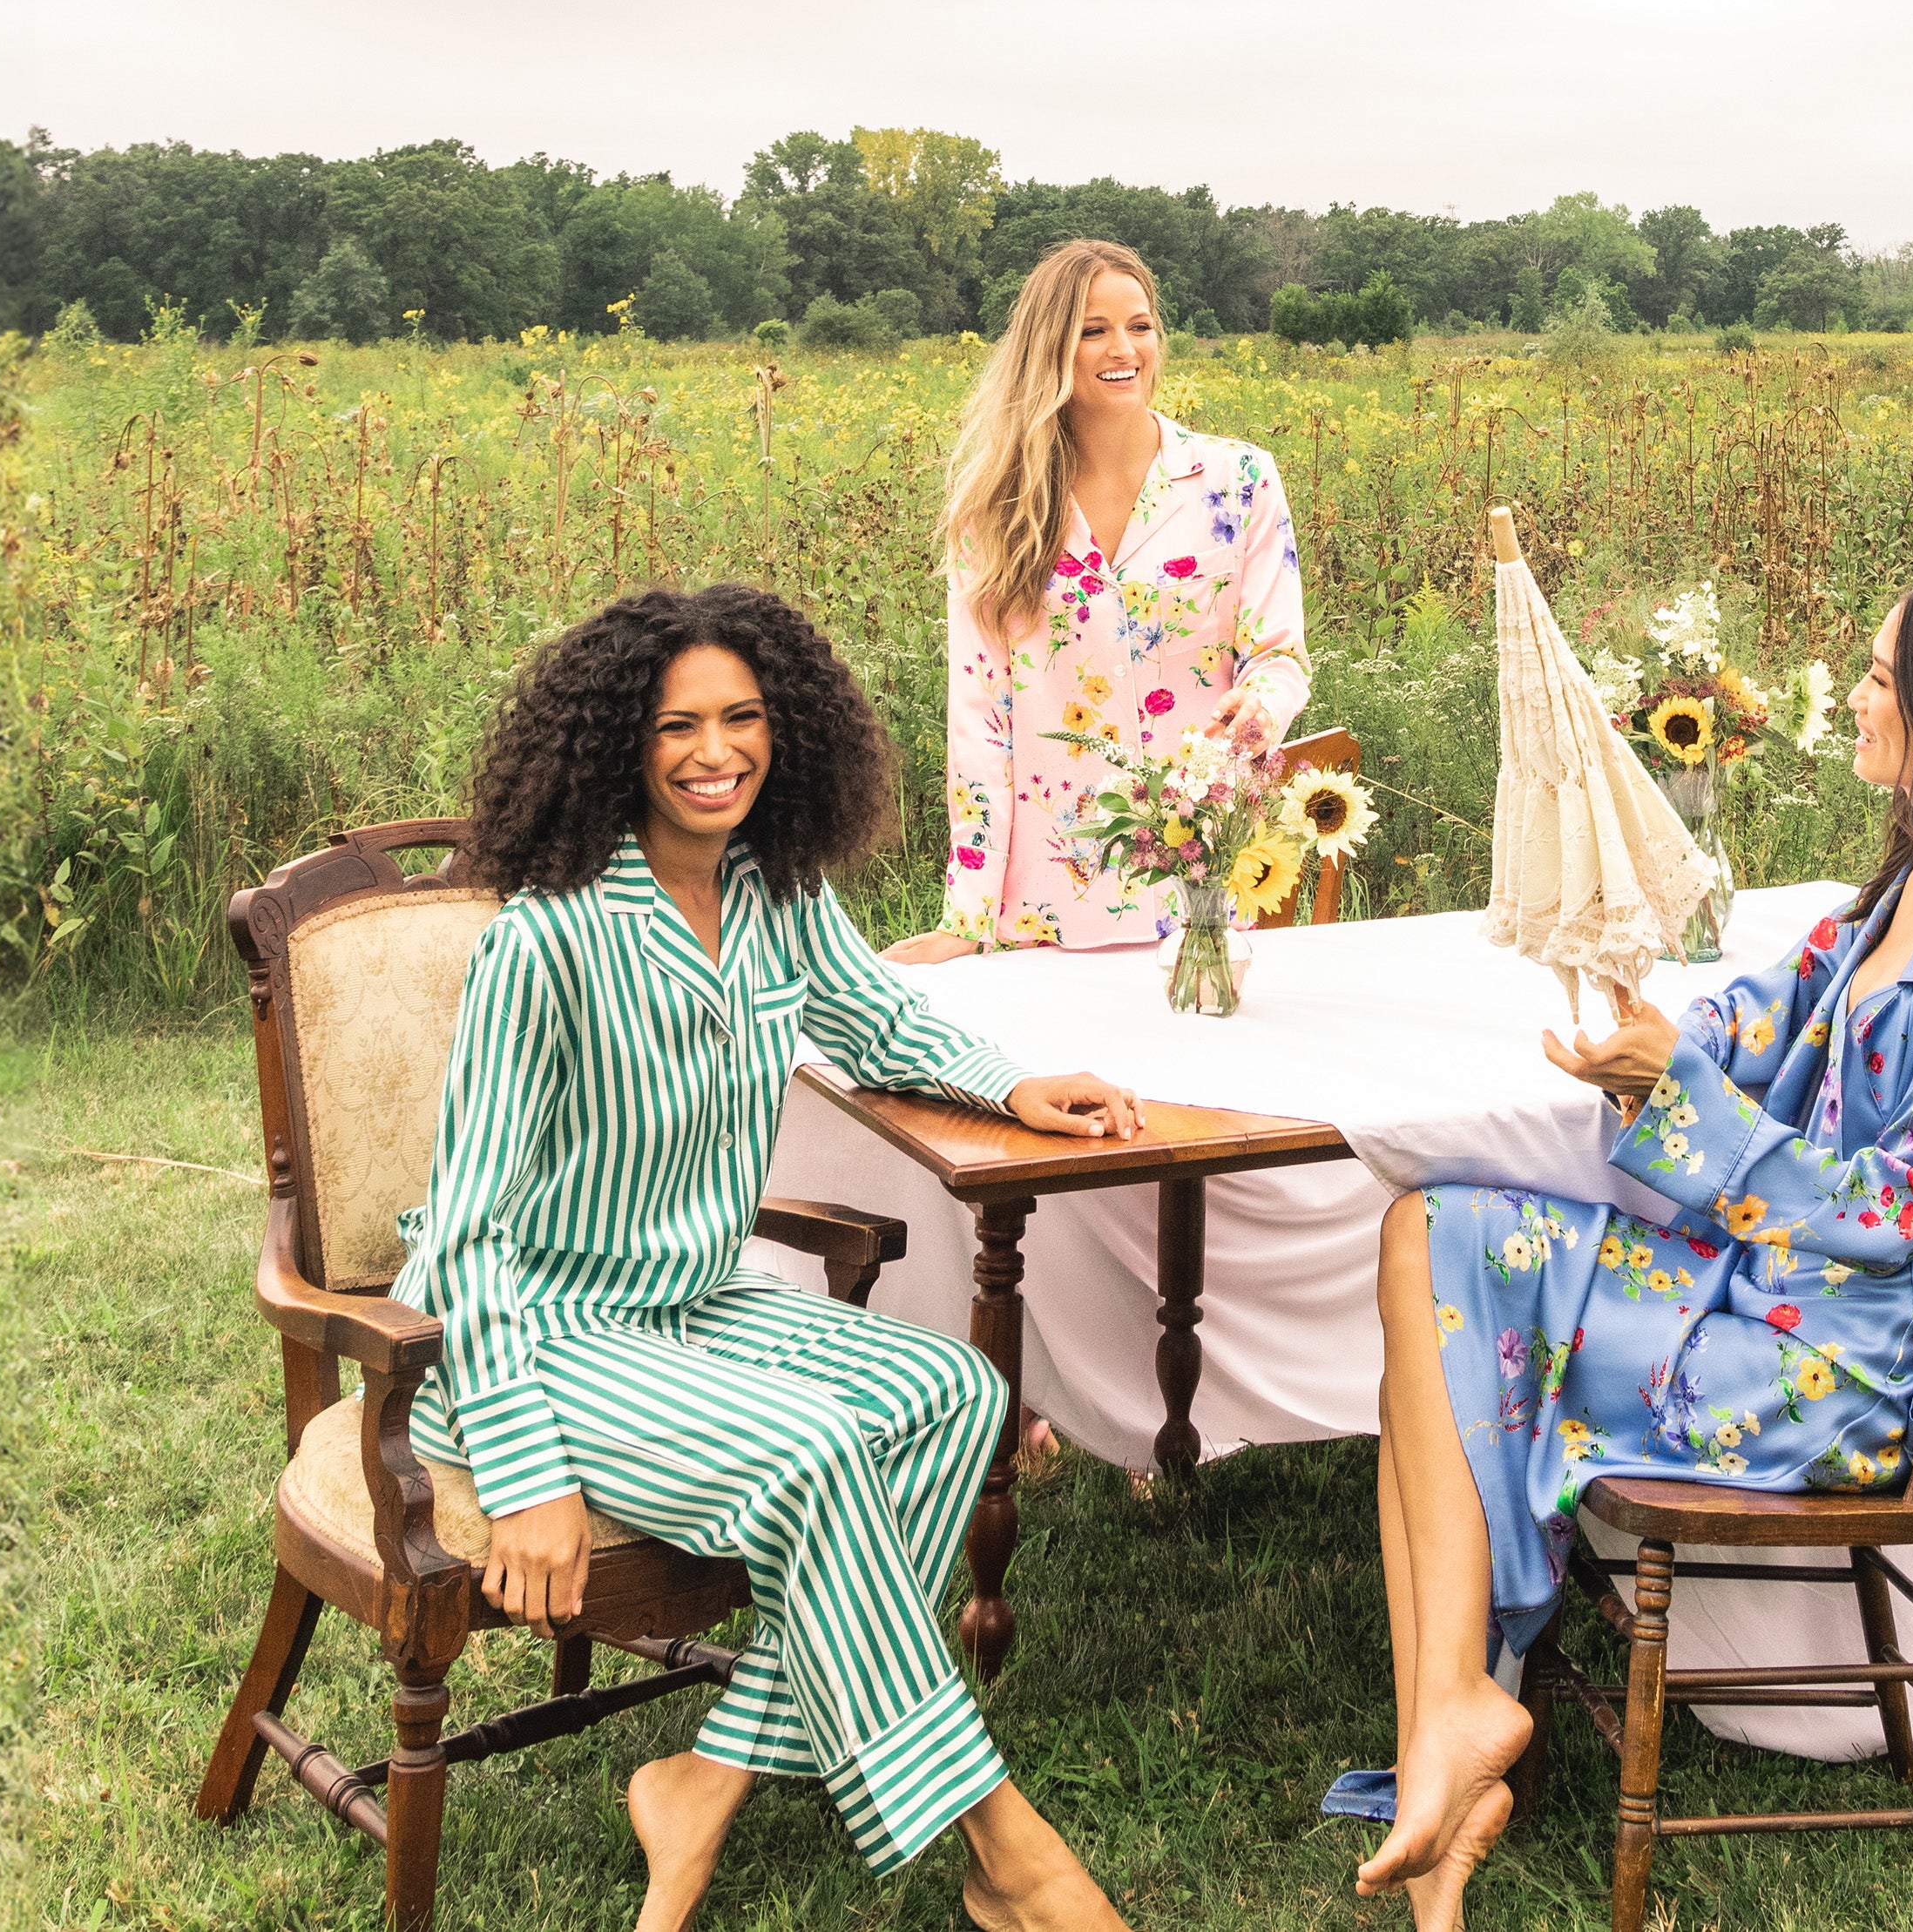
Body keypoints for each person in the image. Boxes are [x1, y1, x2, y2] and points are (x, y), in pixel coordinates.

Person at [1354, 578, 1913, 1929]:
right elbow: (1755, 1017)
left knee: (1441, 1276)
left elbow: (1893, 1213)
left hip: (1854, 1369)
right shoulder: (1905, 890)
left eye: (1883, 673)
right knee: (1434, 1232)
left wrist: (1690, 1096)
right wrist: (1651, 1040)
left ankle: (1455, 1744)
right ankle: (1452, 1717)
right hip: (1774, 1302)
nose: (1856, 690)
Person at [395, 584, 1144, 1932]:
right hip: (538, 1334)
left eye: (743, 718)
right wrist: (524, 1474)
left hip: (698, 1302)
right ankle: (1007, 1839)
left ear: (784, 729)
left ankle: (708, 1773)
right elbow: (468, 1235)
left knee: (952, 1394)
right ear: (617, 741)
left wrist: (1014, 1083)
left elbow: (882, 1020)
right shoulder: (544, 940)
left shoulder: (771, 894)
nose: (714, 750)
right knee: (810, 1460)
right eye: (678, 724)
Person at [887, 236, 1308, 963]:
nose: (1125, 348)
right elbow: (980, 718)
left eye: (1140, 325)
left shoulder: (1239, 481)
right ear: (1050, 347)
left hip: (1199, 890)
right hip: (1048, 908)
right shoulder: (997, 510)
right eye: (1094, 330)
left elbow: (1280, 657)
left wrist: (1261, 706)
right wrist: (967, 918)